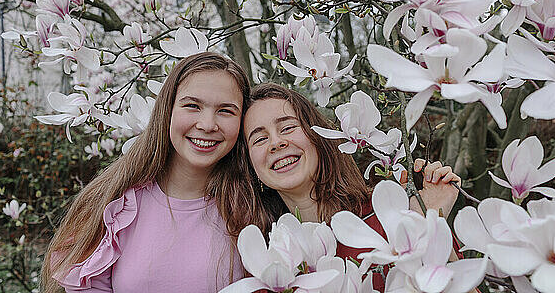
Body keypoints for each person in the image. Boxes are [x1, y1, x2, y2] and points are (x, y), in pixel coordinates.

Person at [41, 52, 255, 293]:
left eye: (226, 111)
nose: (207, 125)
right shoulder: (114, 206)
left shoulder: (254, 208)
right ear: (168, 109)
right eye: (192, 106)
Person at [239, 83, 462, 290]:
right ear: (251, 165)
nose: (276, 143)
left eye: (287, 127)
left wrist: (429, 219)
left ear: (317, 136)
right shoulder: (266, 257)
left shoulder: (389, 217)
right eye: (259, 139)